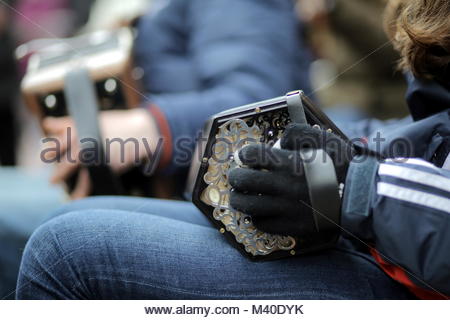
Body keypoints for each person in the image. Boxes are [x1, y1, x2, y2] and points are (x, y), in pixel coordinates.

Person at [15, 0, 449, 299]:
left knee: (65, 247)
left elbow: (257, 91)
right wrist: (341, 150)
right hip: (392, 238)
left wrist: (154, 127)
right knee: (66, 222)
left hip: (412, 281)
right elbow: (429, 135)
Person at [1, 0, 312, 299]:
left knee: (32, 227)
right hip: (137, 186)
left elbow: (260, 104)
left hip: (208, 206)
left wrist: (150, 127)